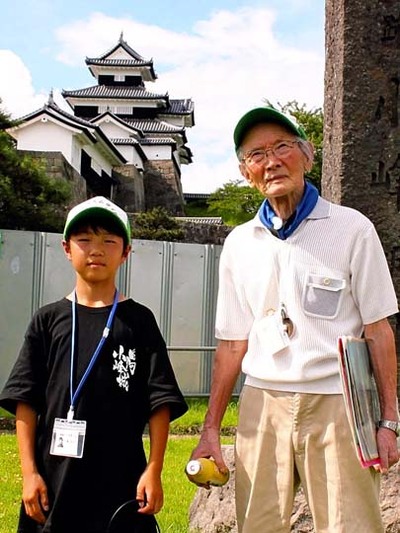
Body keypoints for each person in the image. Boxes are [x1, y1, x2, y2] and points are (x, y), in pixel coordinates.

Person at [190, 106, 400, 532]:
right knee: (258, 525)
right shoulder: (239, 244)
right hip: (261, 403)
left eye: (282, 147)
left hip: (338, 401)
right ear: (245, 171)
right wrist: (211, 428)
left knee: (352, 526)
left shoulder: (351, 229)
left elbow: (379, 329)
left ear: (307, 154)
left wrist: (389, 422)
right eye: (256, 154)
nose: (271, 161)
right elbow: (232, 343)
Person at [0, 196, 188, 533]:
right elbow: (25, 401)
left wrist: (154, 469)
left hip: (121, 481)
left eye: (109, 241)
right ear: (67, 248)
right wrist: (29, 473)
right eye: (84, 240)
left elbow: (160, 402)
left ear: (126, 251)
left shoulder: (138, 321)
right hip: (53, 481)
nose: (96, 250)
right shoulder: (48, 321)